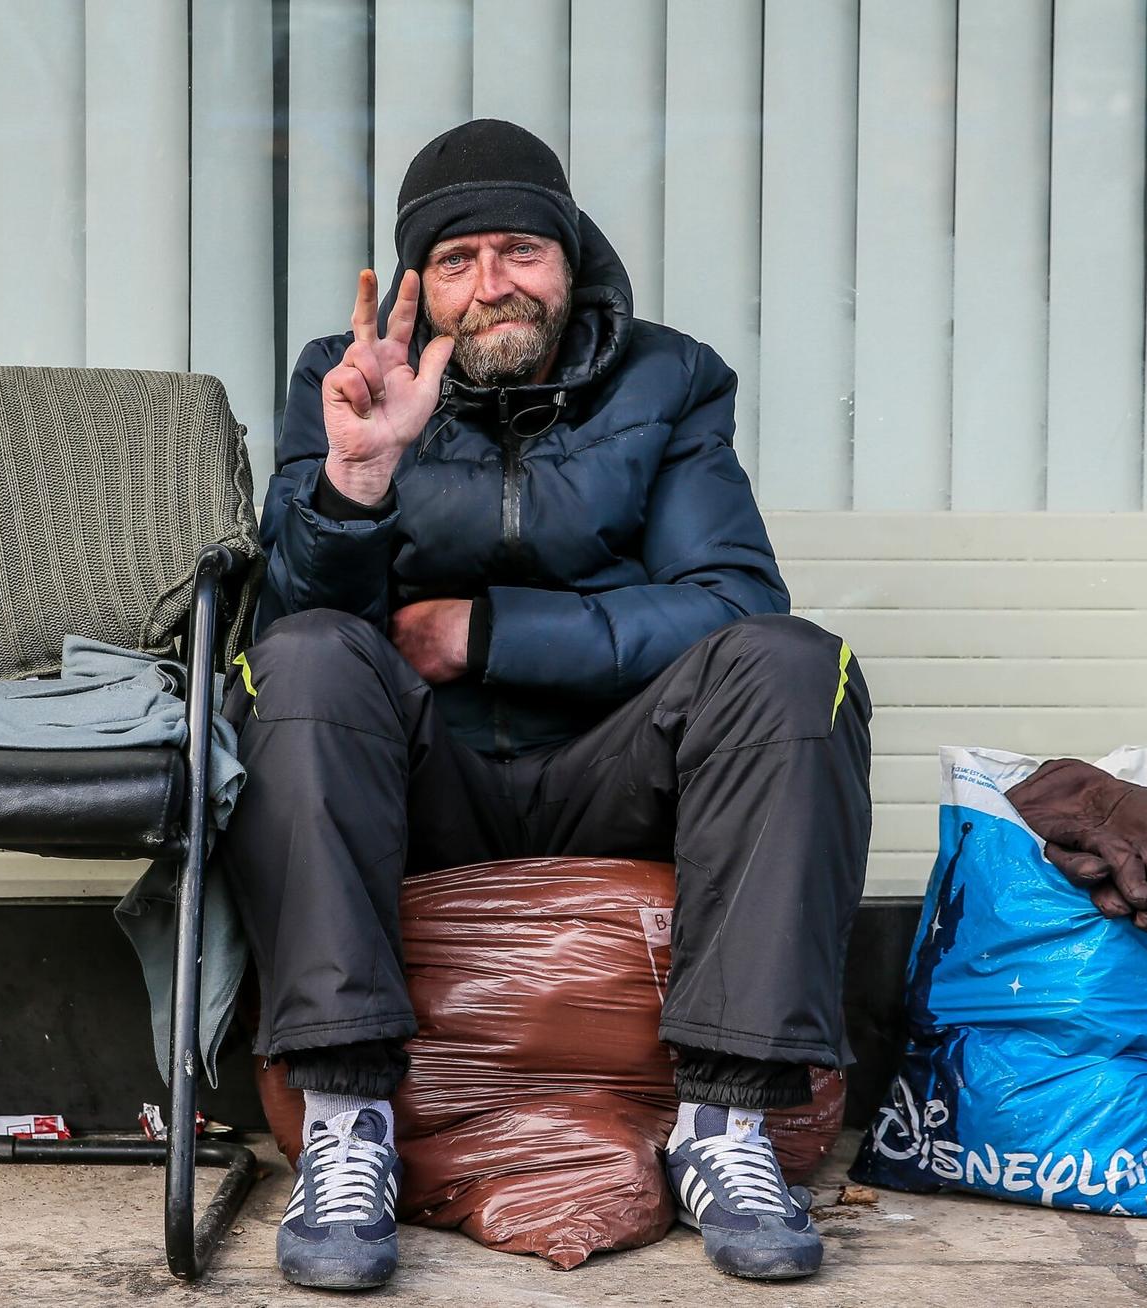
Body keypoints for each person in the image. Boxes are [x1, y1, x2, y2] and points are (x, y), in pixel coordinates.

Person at [220, 118, 873, 1288]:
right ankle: (348, 1124)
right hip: (427, 783)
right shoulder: (349, 371)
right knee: (305, 662)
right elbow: (292, 627)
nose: (491, 286)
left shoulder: (669, 378)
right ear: (419, 281)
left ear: (571, 258)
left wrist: (488, 633)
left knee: (790, 663)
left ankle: (725, 1126)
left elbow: (728, 600)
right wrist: (354, 483)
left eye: (519, 249)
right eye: (456, 261)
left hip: (618, 773)